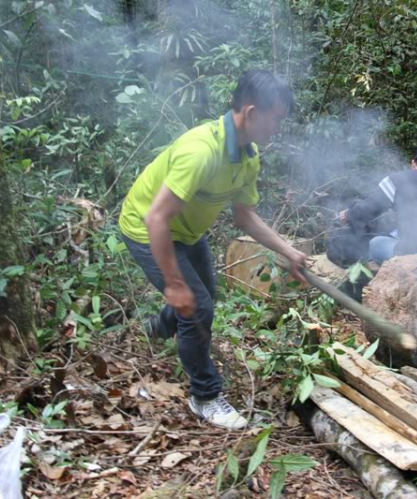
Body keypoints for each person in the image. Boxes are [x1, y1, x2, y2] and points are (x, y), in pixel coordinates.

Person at [118, 70, 306, 430]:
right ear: (251, 113)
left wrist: (288, 251)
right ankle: (204, 396)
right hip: (147, 228)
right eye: (276, 119)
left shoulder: (248, 157)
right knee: (197, 307)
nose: (277, 128)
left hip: (186, 233)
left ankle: (156, 328)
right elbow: (156, 219)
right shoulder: (201, 151)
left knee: (204, 298)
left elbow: (245, 216)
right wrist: (174, 284)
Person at [339, 143, 417, 263]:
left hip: (415, 253)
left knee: (376, 243)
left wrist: (348, 215)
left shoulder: (396, 180)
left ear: (413, 163)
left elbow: (368, 209)